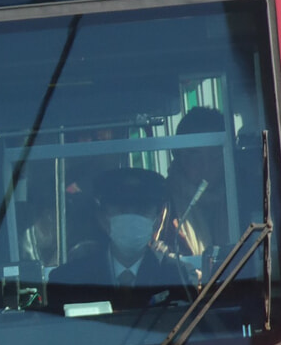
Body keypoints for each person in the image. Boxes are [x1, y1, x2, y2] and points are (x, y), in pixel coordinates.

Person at [46, 165, 185, 304]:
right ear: (102, 218)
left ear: (158, 220)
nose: (131, 219)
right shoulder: (67, 281)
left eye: (142, 210)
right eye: (122, 210)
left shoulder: (177, 277)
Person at [165, 106, 231, 263]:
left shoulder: (244, 198)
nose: (205, 166)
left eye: (215, 157)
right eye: (195, 156)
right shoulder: (165, 208)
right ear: (178, 156)